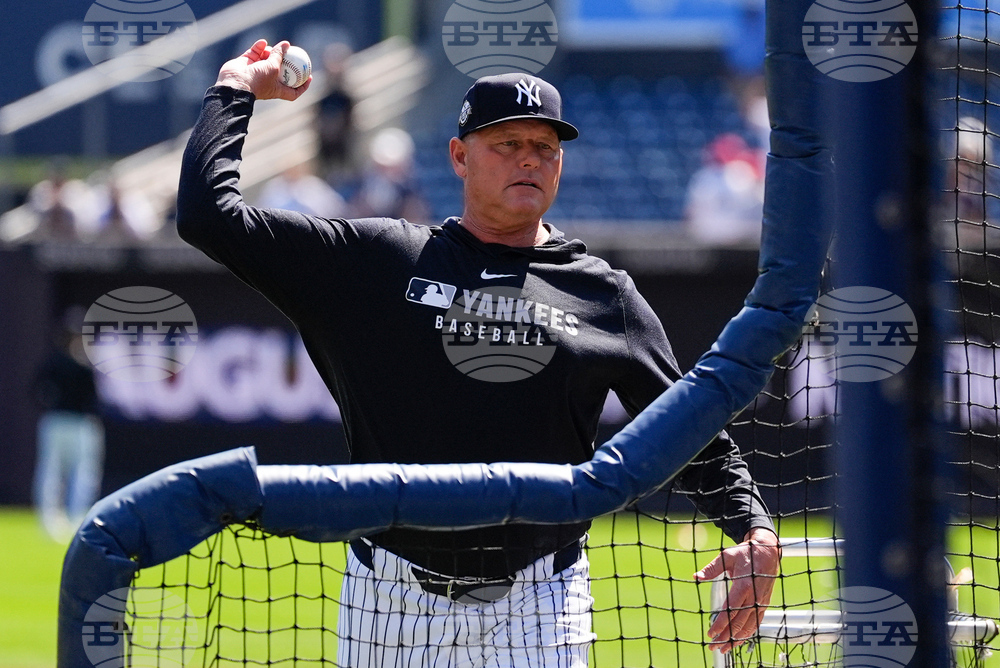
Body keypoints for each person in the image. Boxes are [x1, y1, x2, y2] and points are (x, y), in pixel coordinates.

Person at [176, 40, 780, 666]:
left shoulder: (602, 294)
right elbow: (207, 216)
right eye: (507, 143)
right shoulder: (378, 261)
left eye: (545, 146)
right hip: (391, 600)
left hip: (541, 600)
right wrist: (235, 87)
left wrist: (753, 527)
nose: (530, 159)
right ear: (459, 157)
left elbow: (687, 428)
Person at [32, 308, 105, 541]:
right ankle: (52, 519)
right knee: (53, 470)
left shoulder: (80, 363)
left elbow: (94, 397)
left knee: (80, 473)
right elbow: (36, 389)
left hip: (75, 422)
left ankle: (75, 519)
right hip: (63, 421)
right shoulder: (60, 362)